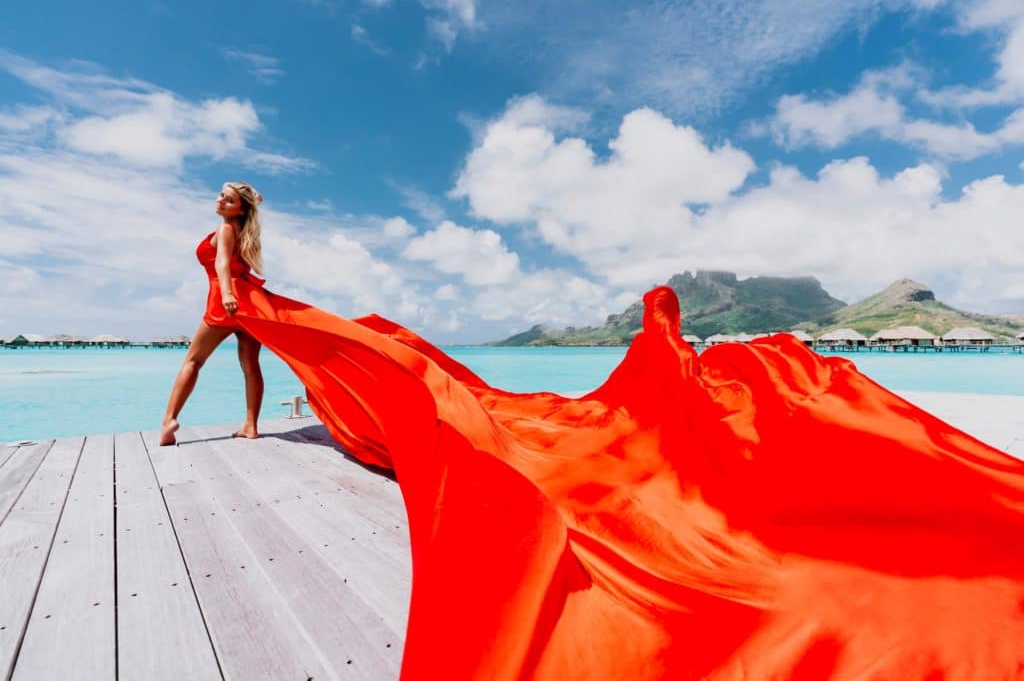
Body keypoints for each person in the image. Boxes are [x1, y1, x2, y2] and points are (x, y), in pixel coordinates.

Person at [159, 182, 1024, 679]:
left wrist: (237, 298)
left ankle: (181, 425)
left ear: (233, 209)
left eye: (229, 205)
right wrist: (242, 301)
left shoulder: (231, 237)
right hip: (243, 310)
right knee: (239, 364)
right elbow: (234, 285)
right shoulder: (240, 236)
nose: (227, 211)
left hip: (236, 310)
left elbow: (231, 282)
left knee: (236, 365)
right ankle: (207, 421)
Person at [159, 182, 265, 446]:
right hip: (252, 302)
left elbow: (222, 263)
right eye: (221, 195)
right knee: (250, 366)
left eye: (228, 200)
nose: (220, 201)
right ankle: (251, 426)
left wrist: (228, 294)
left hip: (225, 300)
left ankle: (169, 420)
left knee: (193, 362)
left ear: (239, 210)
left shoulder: (226, 228)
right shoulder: (245, 230)